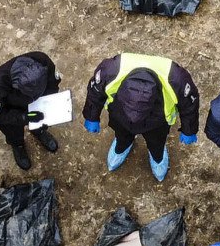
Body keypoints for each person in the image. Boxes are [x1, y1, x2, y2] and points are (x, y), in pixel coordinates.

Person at [81, 52, 201, 183]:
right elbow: (95, 92)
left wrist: (189, 129)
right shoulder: (109, 71)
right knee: (122, 135)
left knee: (157, 142)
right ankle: (122, 146)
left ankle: (157, 157)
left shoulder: (177, 79)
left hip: (157, 121)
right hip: (121, 116)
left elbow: (190, 104)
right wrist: (91, 116)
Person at [0, 51, 62, 172]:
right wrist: (23, 117)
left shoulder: (42, 61)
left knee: (40, 118)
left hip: (37, 103)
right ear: (16, 86)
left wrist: (49, 103)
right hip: (11, 109)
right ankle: (17, 144)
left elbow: (52, 83)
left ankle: (38, 130)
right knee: (12, 129)